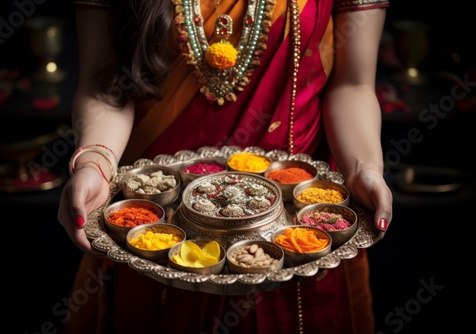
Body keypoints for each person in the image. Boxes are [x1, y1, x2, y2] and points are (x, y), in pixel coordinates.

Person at [58, 0, 393, 333]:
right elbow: (105, 84)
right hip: (162, 222)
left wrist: (364, 168)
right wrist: (95, 162)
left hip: (295, 231)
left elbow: (353, 84)